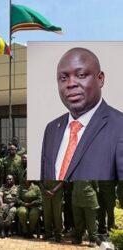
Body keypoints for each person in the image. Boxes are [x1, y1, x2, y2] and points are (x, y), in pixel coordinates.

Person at [40, 47, 123, 180]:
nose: (71, 83)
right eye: (63, 78)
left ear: (100, 79)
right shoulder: (51, 129)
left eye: (81, 75)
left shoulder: (119, 127)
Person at [71, 181, 100, 248]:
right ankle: (78, 238)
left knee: (91, 222)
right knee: (78, 221)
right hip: (76, 199)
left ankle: (93, 240)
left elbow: (96, 186)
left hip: (89, 199)